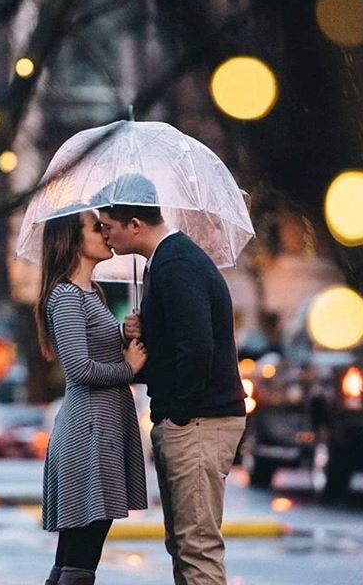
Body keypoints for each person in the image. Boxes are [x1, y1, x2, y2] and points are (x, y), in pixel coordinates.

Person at [98, 201, 247, 585]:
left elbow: (197, 349)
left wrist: (179, 413)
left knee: (197, 548)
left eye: (108, 226)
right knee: (184, 545)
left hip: (199, 421)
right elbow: (183, 341)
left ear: (134, 225)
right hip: (194, 419)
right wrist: (143, 329)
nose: (105, 235)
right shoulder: (165, 263)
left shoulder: (176, 264)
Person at [34, 210, 148, 585]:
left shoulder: (90, 293)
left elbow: (94, 348)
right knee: (83, 550)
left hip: (102, 425)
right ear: (72, 240)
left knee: (75, 550)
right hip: (89, 431)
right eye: (95, 227)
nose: (105, 232)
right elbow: (79, 368)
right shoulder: (66, 296)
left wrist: (121, 332)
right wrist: (127, 369)